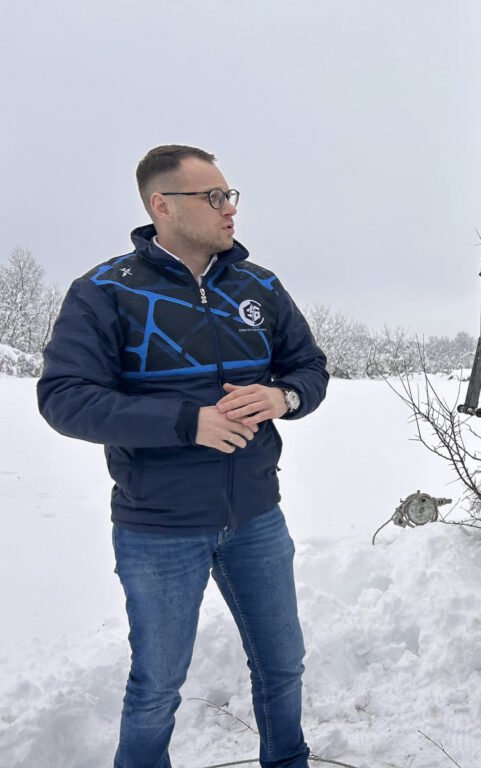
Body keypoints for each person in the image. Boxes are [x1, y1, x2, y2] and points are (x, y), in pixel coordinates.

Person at [37, 145, 329, 768]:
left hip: (256, 516)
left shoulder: (258, 286)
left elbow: (310, 368)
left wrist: (282, 396)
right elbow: (65, 398)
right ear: (162, 206)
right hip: (159, 527)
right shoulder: (104, 292)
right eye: (213, 197)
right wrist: (184, 422)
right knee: (157, 687)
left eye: (230, 195)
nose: (229, 209)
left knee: (282, 666)